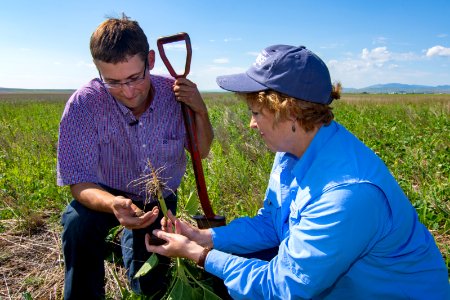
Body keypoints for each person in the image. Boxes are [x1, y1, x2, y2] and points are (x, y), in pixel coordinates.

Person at [145, 44, 449, 299]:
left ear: (288, 112)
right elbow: (271, 225)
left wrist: (199, 255)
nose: (251, 124)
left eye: (255, 113)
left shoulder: (347, 195)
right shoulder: (293, 149)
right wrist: (204, 236)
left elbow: (284, 287)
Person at [57, 15, 213, 299]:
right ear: (98, 70)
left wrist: (200, 111)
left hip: (159, 197)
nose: (128, 92)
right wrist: (114, 204)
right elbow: (79, 183)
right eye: (113, 82)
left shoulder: (175, 95)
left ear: (150, 60)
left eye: (134, 78)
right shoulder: (84, 104)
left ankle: (128, 248)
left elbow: (201, 150)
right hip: (107, 194)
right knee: (77, 224)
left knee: (148, 286)